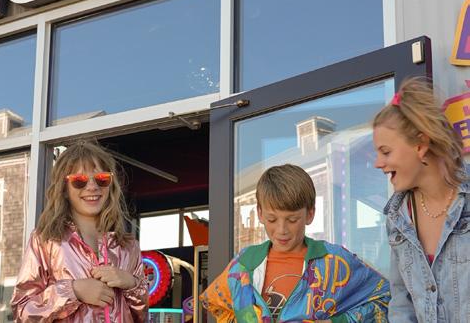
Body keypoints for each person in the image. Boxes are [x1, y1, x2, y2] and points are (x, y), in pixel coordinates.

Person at [200, 164, 390, 322]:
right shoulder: (245, 261)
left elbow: (385, 299)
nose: (281, 229)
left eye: (292, 220)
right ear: (259, 213)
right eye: (272, 219)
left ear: (310, 214)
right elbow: (217, 304)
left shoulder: (334, 260)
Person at [11, 140, 148, 322]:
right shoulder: (46, 240)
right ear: (64, 189)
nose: (92, 187)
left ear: (111, 185)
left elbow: (141, 315)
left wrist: (131, 283)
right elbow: (22, 310)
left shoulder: (128, 246)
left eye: (102, 179)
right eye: (79, 181)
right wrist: (73, 290)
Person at [373, 77, 469, 322]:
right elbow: (401, 305)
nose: (378, 163)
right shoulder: (397, 218)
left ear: (420, 144)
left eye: (386, 151)